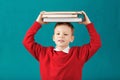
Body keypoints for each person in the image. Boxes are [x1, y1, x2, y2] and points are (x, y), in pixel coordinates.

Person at [23, 11, 102, 80]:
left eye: (65, 34)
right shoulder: (43, 53)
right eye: (58, 33)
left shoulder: (79, 53)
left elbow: (96, 43)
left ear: (72, 38)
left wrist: (88, 24)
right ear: (53, 37)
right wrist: (38, 23)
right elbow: (27, 41)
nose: (61, 36)